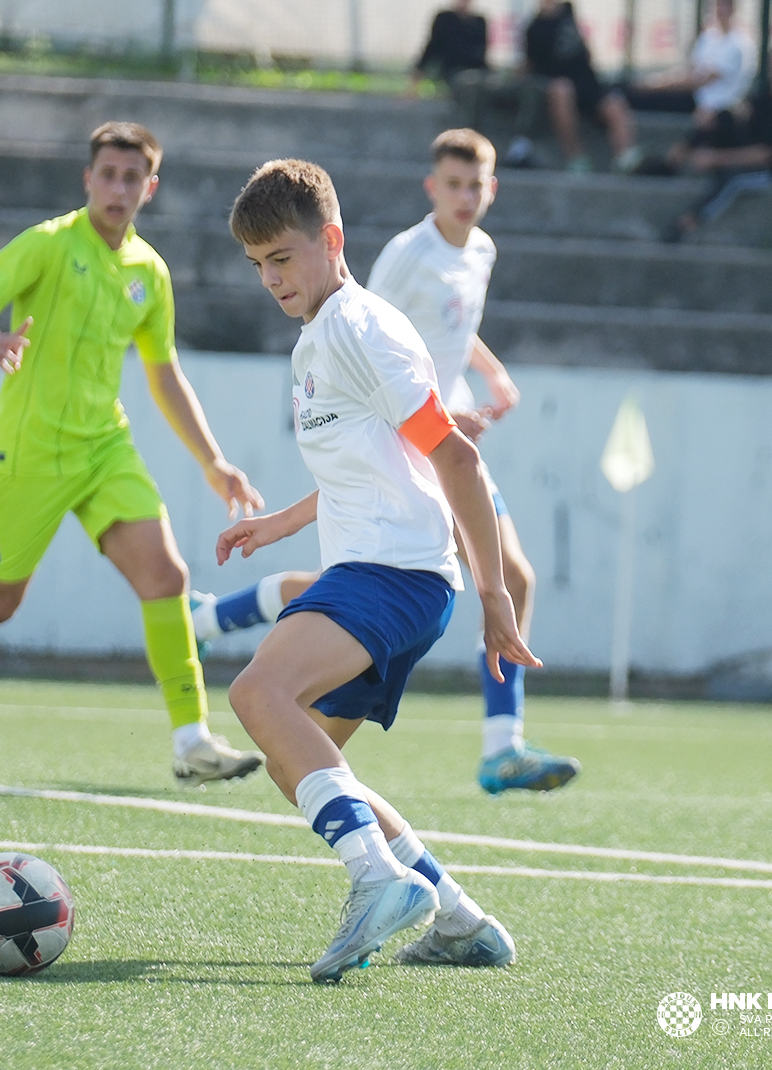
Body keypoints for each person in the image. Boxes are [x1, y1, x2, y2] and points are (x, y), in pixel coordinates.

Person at [222, 158, 539, 982]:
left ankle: (377, 880)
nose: (271, 279)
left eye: (283, 258)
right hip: (383, 574)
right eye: (258, 265)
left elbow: (456, 458)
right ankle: (461, 919)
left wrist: (496, 600)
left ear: (331, 241)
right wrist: (281, 522)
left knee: (258, 696)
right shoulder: (321, 336)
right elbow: (364, 466)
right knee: (313, 761)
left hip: (393, 576)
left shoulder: (360, 328)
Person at [0, 122, 266, 790]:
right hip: (28, 451)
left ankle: (191, 739)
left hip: (103, 448)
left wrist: (213, 460)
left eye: (132, 177)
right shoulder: (49, 244)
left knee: (166, 576)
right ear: (89, 180)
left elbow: (163, 372)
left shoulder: (149, 271)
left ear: (151, 186)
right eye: (107, 174)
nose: (119, 188)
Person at [193, 130, 580, 796]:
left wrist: (486, 378)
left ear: (493, 188)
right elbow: (376, 334)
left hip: (431, 437)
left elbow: (446, 335)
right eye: (453, 183)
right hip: (413, 426)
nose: (270, 279)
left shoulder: (479, 252)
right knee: (304, 755)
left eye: (476, 184)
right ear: (433, 187)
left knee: (497, 578)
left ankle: (500, 745)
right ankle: (213, 616)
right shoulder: (392, 271)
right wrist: (425, 416)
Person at [663, 44, 772, 241]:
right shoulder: (763, 99)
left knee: (733, 178)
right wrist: (713, 116)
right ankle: (669, 163)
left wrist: (716, 158)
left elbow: (766, 156)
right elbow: (739, 115)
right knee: (719, 120)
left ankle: (688, 221)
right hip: (748, 153)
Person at [409, 1, 536, 168]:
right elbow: (430, 50)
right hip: (455, 74)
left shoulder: (479, 21)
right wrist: (414, 84)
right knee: (472, 85)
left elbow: (482, 56)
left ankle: (519, 145)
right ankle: (467, 144)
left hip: (481, 74)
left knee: (522, 88)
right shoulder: (445, 19)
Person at [522, 0, 641, 173]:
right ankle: (576, 159)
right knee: (561, 91)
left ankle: (625, 158)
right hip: (560, 89)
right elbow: (530, 66)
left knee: (615, 103)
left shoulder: (568, 12)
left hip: (587, 84)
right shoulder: (533, 29)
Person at [625, 0, 755, 130]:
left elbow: (702, 80)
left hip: (721, 111)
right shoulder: (708, 37)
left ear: (733, 8)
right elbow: (690, 70)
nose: (719, 9)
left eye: (724, 5)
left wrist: (656, 85)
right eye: (716, 5)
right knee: (632, 95)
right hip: (697, 103)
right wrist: (655, 81)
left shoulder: (739, 43)